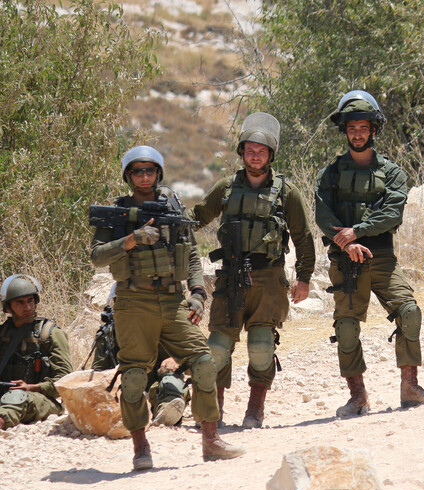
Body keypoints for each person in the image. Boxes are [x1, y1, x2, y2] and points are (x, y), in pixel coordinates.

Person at [91, 145, 244, 470]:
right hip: (133, 302)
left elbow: (189, 254)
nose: (144, 177)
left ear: (158, 173)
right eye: (137, 171)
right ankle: (141, 447)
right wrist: (131, 239)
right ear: (128, 176)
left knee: (203, 363)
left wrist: (199, 293)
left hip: (174, 300)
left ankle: (211, 440)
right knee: (133, 376)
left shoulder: (173, 206)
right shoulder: (116, 212)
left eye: (150, 171)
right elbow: (98, 256)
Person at [315, 90, 424, 417]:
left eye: (364, 127)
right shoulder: (330, 174)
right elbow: (323, 215)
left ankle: (409, 386)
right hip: (345, 261)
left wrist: (357, 232)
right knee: (345, 327)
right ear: (345, 131)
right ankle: (357, 396)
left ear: (374, 130)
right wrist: (346, 242)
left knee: (409, 311)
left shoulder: (392, 172)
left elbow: (393, 212)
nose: (358, 133)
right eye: (352, 127)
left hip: (382, 258)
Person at [190, 113, 315, 428]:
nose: (255, 155)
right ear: (241, 152)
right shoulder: (226, 188)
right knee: (218, 346)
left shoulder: (287, 192)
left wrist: (304, 277)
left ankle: (255, 409)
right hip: (230, 277)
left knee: (261, 345)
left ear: (270, 155)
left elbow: (303, 237)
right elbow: (198, 217)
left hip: (269, 279)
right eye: (249, 149)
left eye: (261, 150)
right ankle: (212, 413)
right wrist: (168, 217)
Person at [88, 285, 189, 426]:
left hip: (155, 387)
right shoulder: (109, 335)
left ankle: (165, 410)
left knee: (171, 378)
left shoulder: (160, 327)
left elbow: (193, 358)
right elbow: (98, 372)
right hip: (122, 389)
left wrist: (176, 359)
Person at [0, 275, 73, 430]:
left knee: (17, 397)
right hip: (4, 395)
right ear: (8, 307)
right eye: (20, 302)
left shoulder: (50, 334)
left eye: (30, 301)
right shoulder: (3, 334)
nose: (27, 307)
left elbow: (65, 382)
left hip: (42, 400)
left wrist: (32, 387)